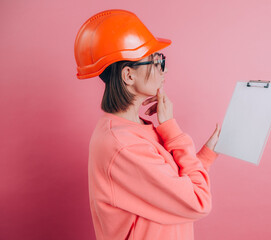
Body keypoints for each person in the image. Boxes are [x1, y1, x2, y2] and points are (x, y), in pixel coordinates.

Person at [74, 9, 221, 240]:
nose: (164, 69)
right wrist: (172, 131)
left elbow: (171, 186)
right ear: (129, 76)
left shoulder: (134, 129)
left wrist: (208, 154)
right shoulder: (124, 146)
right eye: (157, 61)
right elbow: (197, 201)